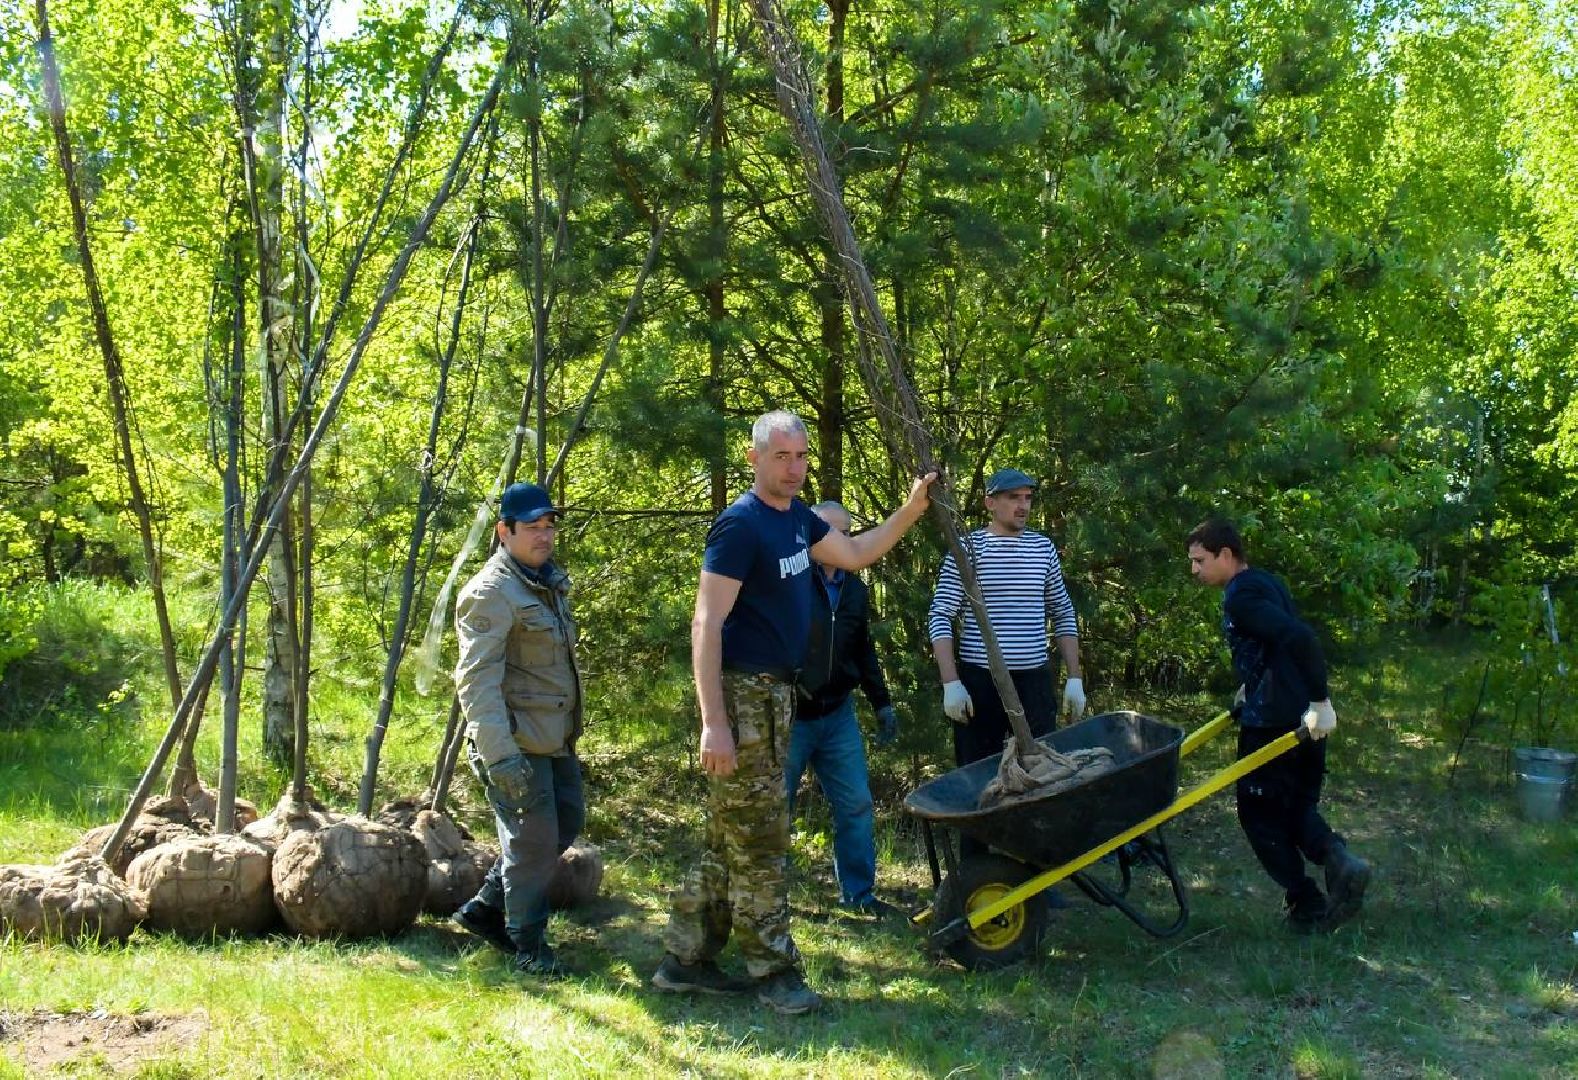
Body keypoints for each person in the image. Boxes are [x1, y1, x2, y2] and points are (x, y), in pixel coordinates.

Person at [652, 410, 934, 1015]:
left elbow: (856, 552)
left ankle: (684, 960)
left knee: (730, 834)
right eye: (782, 457)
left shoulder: (797, 521)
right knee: (762, 839)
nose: (794, 468)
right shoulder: (740, 526)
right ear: (754, 458)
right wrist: (714, 721)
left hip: (780, 695)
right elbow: (706, 622)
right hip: (742, 696)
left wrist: (911, 510)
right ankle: (774, 972)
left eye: (802, 457)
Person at [1186, 517, 1371, 933]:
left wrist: (1321, 699)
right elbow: (1275, 650)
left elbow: (1299, 638)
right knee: (1295, 806)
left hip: (1275, 722)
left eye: (1200, 561)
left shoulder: (1241, 598)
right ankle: (1339, 861)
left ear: (1226, 555)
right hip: (1303, 717)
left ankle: (1306, 902)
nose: (1194, 571)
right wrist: (1252, 686)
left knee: (1258, 815)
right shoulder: (1267, 583)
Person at [450, 481, 585, 976]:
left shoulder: (544, 583)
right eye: (532, 527)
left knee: (567, 821)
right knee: (531, 841)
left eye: (549, 525)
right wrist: (499, 754)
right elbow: (476, 680)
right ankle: (527, 943)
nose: (544, 535)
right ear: (504, 531)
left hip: (553, 738)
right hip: (513, 741)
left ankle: (485, 908)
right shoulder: (490, 593)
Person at [928, 467, 1086, 776]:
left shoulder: (1043, 549)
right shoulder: (967, 550)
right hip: (981, 683)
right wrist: (951, 683)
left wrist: (1075, 677)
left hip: (1034, 682)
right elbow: (940, 615)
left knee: (1041, 770)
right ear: (990, 503)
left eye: (1027, 498)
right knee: (978, 773)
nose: (1023, 506)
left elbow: (1063, 612)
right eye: (1013, 498)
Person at [788, 500, 901, 919]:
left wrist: (882, 703)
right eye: (826, 531)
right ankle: (768, 900)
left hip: (838, 716)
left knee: (855, 805)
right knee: (775, 806)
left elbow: (863, 649)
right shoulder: (791, 581)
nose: (836, 540)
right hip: (791, 717)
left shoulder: (855, 588)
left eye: (845, 533)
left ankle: (859, 894)